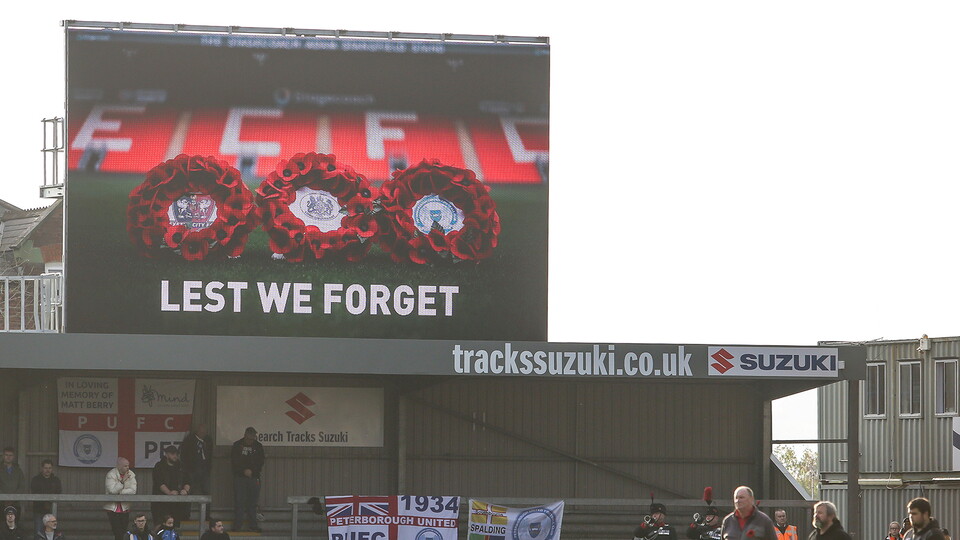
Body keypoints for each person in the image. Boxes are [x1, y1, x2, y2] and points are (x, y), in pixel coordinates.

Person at [230, 427, 264, 533]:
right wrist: (243, 471)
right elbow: (234, 461)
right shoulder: (237, 445)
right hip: (240, 477)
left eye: (253, 438)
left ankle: (253, 525)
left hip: (254, 478)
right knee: (239, 502)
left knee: (253, 503)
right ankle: (237, 526)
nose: (251, 440)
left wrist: (252, 471)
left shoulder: (258, 446)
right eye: (250, 438)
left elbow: (261, 461)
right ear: (245, 435)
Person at [152, 447, 190, 529]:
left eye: (176, 454)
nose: (175, 456)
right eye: (172, 454)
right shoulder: (159, 466)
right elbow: (159, 483)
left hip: (176, 503)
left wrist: (185, 490)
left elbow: (188, 481)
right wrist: (169, 493)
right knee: (159, 526)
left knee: (175, 527)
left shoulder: (181, 466)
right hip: (161, 503)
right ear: (166, 454)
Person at [105, 457, 137, 540]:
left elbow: (133, 491)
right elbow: (112, 491)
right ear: (119, 466)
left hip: (125, 507)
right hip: (113, 508)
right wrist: (122, 481)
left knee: (123, 532)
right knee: (117, 532)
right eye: (125, 466)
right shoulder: (110, 474)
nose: (127, 468)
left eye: (128, 466)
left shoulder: (131, 474)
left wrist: (120, 492)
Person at [29, 460, 60, 535]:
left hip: (51, 511)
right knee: (38, 532)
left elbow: (58, 492)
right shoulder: (35, 480)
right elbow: (34, 492)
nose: (48, 470)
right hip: (38, 510)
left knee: (51, 532)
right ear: (42, 468)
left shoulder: (56, 480)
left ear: (52, 469)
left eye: (49, 468)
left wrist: (49, 503)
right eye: (46, 468)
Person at [179, 425, 213, 496]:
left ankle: (206, 507)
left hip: (204, 469)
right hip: (192, 469)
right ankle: (187, 507)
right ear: (197, 432)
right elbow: (183, 454)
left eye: (204, 433)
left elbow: (209, 454)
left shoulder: (208, 440)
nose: (203, 434)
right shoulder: (189, 440)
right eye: (201, 432)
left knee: (206, 490)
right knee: (190, 489)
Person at [0, 449, 25, 519]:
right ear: (3, 456)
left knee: (15, 525)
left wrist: (13, 498)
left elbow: (22, 486)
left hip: (15, 503)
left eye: (10, 455)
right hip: (1, 503)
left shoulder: (18, 470)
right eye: (6, 455)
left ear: (13, 457)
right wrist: (5, 498)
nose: (8, 457)